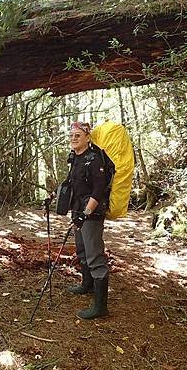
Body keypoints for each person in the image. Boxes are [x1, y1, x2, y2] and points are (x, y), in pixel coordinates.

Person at [65, 121, 109, 320]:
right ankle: (86, 285)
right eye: (72, 135)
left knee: (94, 256)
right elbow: (73, 184)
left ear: (87, 138)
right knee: (82, 250)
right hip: (78, 212)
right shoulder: (75, 158)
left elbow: (99, 190)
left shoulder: (94, 160)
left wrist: (86, 213)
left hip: (91, 214)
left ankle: (100, 307)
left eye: (78, 135)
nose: (74, 138)